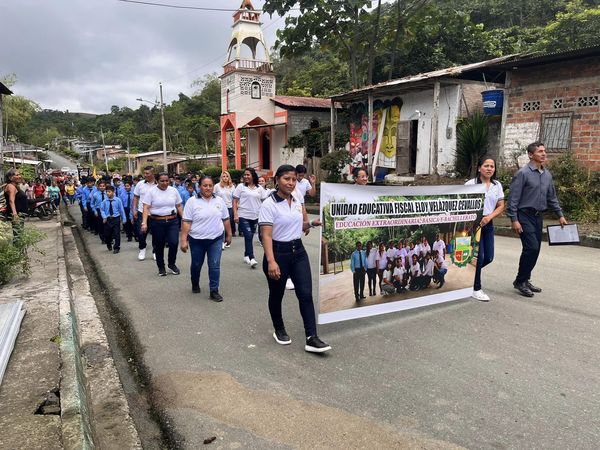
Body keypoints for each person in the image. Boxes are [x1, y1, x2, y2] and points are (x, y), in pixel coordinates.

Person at [258, 164, 331, 353]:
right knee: (277, 294)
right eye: (286, 179)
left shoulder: (297, 200)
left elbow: (296, 225)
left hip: (298, 251)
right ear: (277, 180)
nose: (291, 183)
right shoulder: (269, 204)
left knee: (305, 294)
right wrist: (271, 261)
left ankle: (311, 337)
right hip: (277, 253)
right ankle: (279, 329)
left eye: (293, 179)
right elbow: (266, 235)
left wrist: (311, 223)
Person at [506, 142, 567, 297]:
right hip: (524, 216)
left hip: (538, 217)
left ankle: (525, 279)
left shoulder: (547, 175)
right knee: (531, 248)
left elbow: (552, 198)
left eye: (544, 151)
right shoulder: (523, 174)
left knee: (536, 250)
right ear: (530, 155)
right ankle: (520, 281)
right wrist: (514, 219)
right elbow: (513, 199)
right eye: (540, 151)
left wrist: (560, 215)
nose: (544, 154)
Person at [180, 175, 232, 300]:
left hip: (216, 239)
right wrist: (183, 240)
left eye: (210, 185)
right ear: (199, 187)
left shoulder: (219, 201)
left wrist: (229, 234)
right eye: (205, 185)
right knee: (196, 264)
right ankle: (195, 283)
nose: (208, 188)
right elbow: (186, 222)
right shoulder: (192, 202)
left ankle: (214, 290)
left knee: (214, 265)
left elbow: (225, 219)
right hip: (197, 240)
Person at [465, 156, 505, 301]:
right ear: (479, 168)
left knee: (488, 257)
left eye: (492, 166)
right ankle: (476, 288)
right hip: (474, 224)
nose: (489, 169)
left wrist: (489, 217)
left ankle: (468, 273)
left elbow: (501, 206)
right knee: (479, 257)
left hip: (488, 222)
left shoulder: (497, 185)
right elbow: (462, 204)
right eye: (486, 166)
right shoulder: (470, 184)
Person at [141, 172, 183, 276]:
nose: (165, 183)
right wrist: (144, 223)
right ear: (157, 181)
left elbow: (178, 206)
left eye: (167, 181)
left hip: (172, 221)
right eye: (162, 181)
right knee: (159, 245)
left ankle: (171, 264)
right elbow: (146, 208)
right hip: (157, 222)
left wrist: (185, 219)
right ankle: (161, 267)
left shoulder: (173, 191)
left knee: (174, 243)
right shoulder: (151, 192)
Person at [232, 167, 267, 269]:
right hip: (243, 215)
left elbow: (265, 202)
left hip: (255, 216)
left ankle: (246, 255)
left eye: (248, 175)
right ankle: (252, 258)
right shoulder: (240, 187)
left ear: (253, 176)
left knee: (250, 236)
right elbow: (234, 201)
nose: (246, 176)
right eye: (245, 175)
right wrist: (235, 214)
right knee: (247, 235)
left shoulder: (259, 188)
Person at [133, 166, 157, 261]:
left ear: (153, 174)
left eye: (147, 173)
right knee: (141, 233)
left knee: (156, 234)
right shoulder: (140, 184)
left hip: (155, 213)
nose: (145, 175)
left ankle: (155, 251)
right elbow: (135, 197)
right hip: (141, 212)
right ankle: (142, 248)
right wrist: (134, 210)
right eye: (145, 173)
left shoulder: (158, 185)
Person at [100, 185, 127, 253]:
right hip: (108, 219)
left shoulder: (118, 200)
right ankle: (108, 244)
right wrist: (104, 217)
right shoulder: (104, 201)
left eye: (109, 192)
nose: (107, 193)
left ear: (113, 192)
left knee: (117, 233)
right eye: (107, 192)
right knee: (107, 234)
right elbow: (102, 210)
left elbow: (121, 210)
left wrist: (124, 218)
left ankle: (116, 247)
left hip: (116, 218)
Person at [3, 169, 28, 240]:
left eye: (19, 174)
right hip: (17, 215)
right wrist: (15, 214)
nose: (19, 176)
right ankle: (18, 247)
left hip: (20, 214)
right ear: (10, 178)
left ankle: (19, 247)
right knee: (18, 235)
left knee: (19, 234)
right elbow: (11, 201)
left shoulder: (15, 186)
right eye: (17, 175)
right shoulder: (11, 187)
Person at [214, 171, 236, 247]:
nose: (225, 178)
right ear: (221, 177)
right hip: (219, 207)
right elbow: (213, 196)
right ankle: (221, 241)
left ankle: (227, 240)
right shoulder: (217, 186)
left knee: (227, 224)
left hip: (229, 207)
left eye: (227, 176)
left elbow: (234, 198)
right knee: (221, 225)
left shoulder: (232, 186)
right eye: (224, 176)